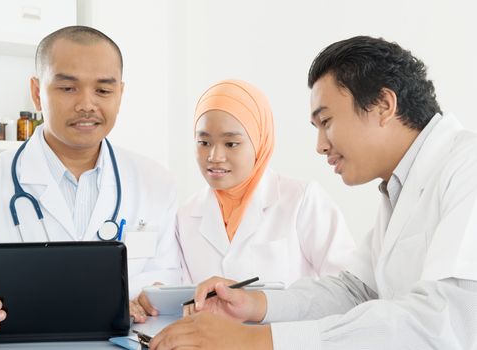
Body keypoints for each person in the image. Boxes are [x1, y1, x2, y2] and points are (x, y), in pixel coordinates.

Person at [149, 36, 477, 349]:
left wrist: (255, 341)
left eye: (327, 121)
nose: (321, 146)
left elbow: (444, 322)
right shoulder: (400, 187)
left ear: (383, 105)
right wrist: (255, 304)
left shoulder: (466, 168)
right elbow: (356, 291)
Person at [0, 25, 180, 347]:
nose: (87, 105)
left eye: (103, 91)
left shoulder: (156, 182)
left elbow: (168, 281)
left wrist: (143, 298)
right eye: (68, 88)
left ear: (120, 94)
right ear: (36, 92)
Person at [176, 79, 355, 286]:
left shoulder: (302, 199)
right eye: (204, 143)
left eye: (231, 143)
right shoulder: (186, 215)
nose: (215, 156)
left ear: (260, 140)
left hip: (290, 320)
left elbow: (345, 286)